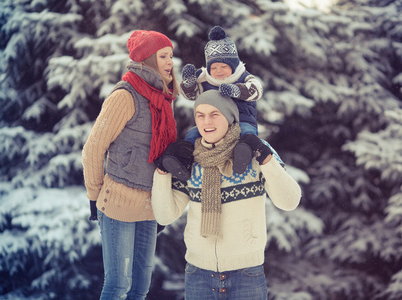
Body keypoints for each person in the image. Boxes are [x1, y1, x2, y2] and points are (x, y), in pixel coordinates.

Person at [152, 90, 302, 300]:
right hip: (198, 275)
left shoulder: (254, 151)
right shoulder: (189, 160)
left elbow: (290, 201)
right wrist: (162, 171)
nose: (207, 121)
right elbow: (165, 215)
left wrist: (265, 158)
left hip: (246, 274)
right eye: (200, 115)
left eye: (215, 114)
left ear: (230, 116)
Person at [82, 30, 179, 300]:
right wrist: (94, 195)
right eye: (163, 56)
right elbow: (93, 148)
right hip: (119, 203)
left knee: (139, 289)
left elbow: (163, 156)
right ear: (148, 59)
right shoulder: (125, 96)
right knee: (118, 286)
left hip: (149, 206)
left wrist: (164, 204)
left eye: (171, 55)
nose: (170, 61)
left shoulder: (163, 98)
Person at [159, 25, 263, 180]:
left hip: (242, 119)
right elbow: (191, 96)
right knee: (192, 134)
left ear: (234, 66)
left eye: (224, 66)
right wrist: (189, 84)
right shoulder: (205, 77)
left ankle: (243, 157)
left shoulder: (242, 76)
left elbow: (256, 90)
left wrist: (236, 91)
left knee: (247, 132)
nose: (218, 71)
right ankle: (183, 161)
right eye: (214, 67)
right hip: (213, 122)